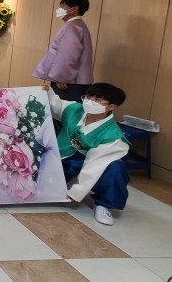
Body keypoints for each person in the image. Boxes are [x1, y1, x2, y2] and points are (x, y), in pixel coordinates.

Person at [43, 82, 130, 225]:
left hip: (92, 164)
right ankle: (64, 182)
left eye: (97, 100)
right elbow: (55, 104)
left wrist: (75, 193)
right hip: (65, 157)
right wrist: (47, 91)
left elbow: (94, 167)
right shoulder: (74, 109)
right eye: (88, 97)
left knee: (116, 168)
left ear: (111, 107)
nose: (90, 101)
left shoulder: (113, 136)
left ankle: (103, 204)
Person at [33, 0, 95, 102]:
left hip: (69, 83)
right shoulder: (79, 25)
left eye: (63, 6)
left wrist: (61, 77)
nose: (59, 9)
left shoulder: (72, 26)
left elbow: (68, 54)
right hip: (77, 81)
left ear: (74, 9)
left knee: (62, 109)